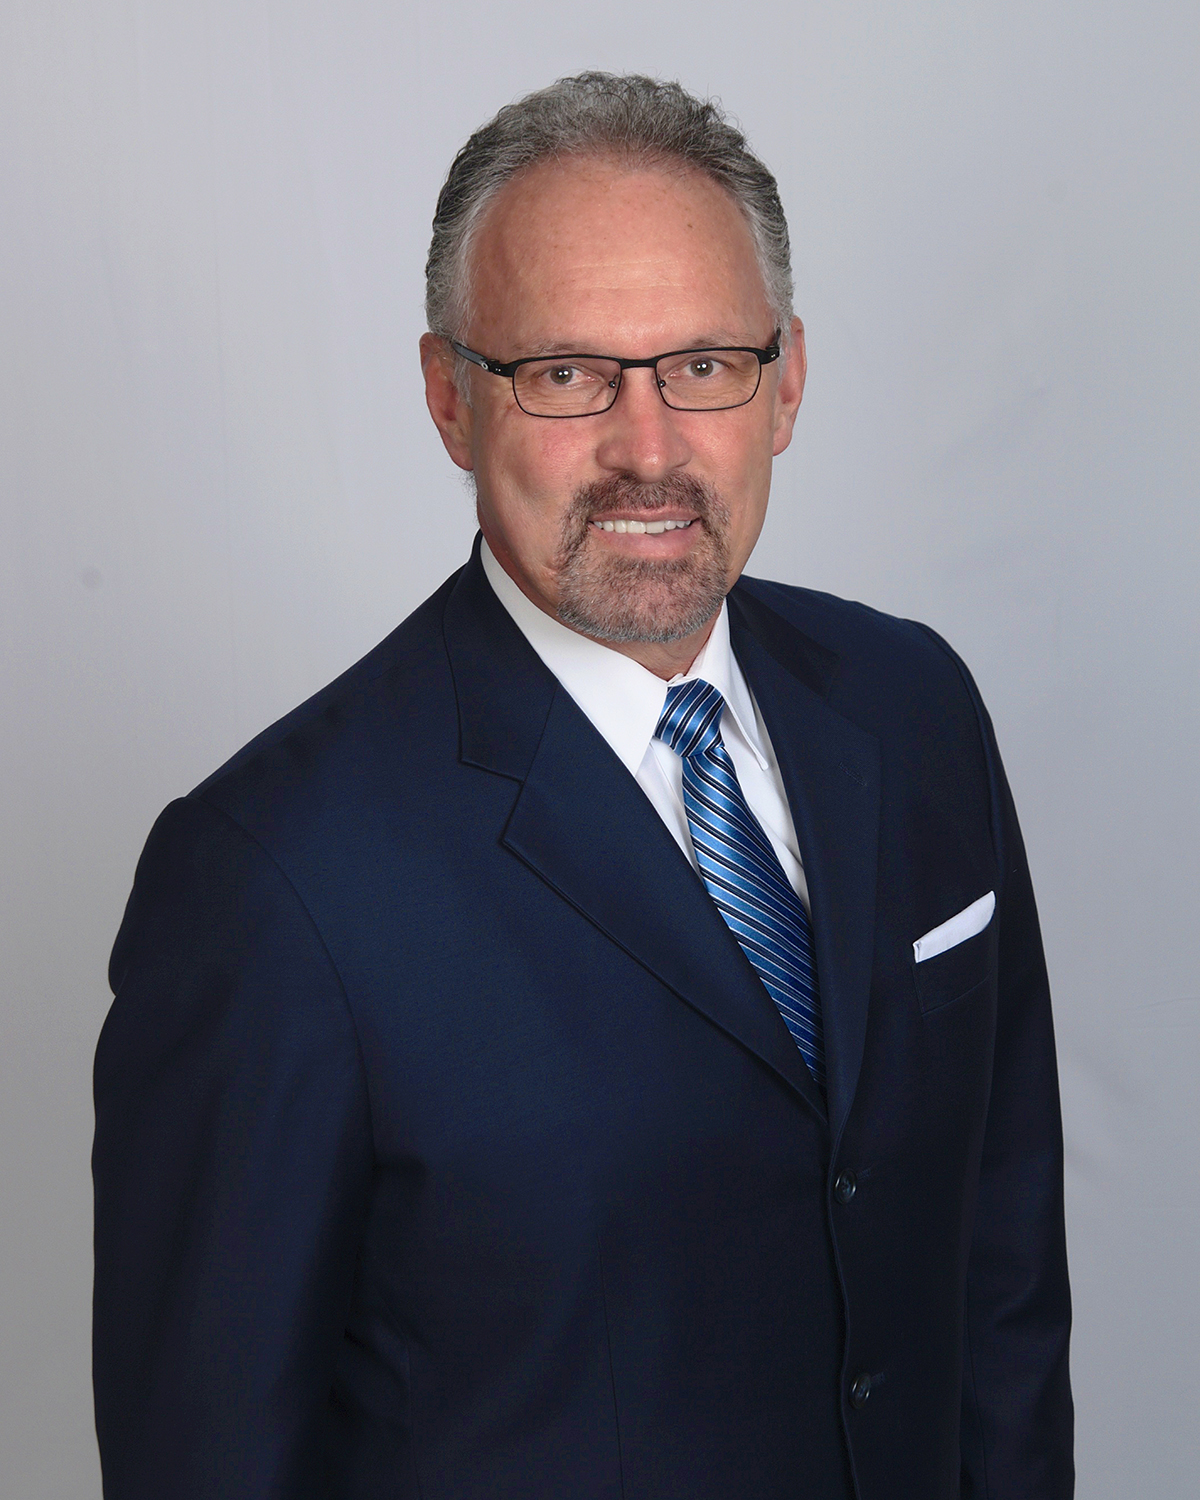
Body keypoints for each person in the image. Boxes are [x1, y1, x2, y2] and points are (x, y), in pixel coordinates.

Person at [93, 72, 1073, 1499]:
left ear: (787, 382)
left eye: (705, 365)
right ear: (451, 399)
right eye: (565, 373)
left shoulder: (915, 709)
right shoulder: (271, 880)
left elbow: (1001, 1276)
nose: (649, 449)